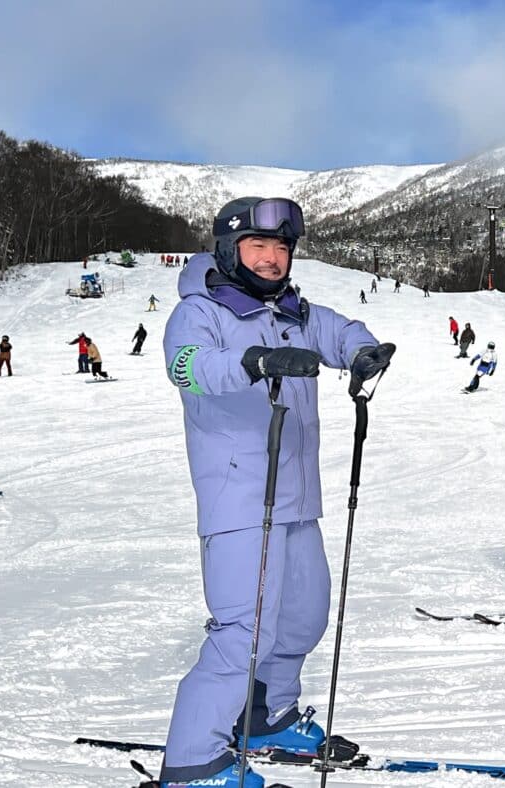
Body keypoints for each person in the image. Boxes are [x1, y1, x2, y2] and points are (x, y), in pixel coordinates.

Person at [158, 196, 392, 788]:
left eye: (281, 248)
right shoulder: (199, 311)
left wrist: (363, 352)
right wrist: (255, 362)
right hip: (239, 500)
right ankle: (191, 762)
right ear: (228, 250)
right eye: (258, 247)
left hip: (296, 499)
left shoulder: (292, 311)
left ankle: (266, 716)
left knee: (302, 619)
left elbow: (340, 331)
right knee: (244, 631)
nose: (271, 259)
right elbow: (189, 367)